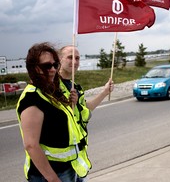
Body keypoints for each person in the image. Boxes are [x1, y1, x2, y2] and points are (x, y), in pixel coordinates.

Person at [16, 42, 91, 181]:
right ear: (34, 68)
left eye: (55, 65)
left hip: (68, 168)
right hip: (50, 175)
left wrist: (72, 104)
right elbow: (31, 145)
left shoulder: (51, 92)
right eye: (46, 66)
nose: (52, 69)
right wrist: (53, 179)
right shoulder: (32, 98)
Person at [58, 45, 114, 182]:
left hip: (77, 158)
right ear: (59, 60)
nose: (75, 61)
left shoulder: (74, 87)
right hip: (60, 164)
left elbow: (86, 109)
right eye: (70, 57)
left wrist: (105, 92)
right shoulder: (51, 86)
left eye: (77, 58)